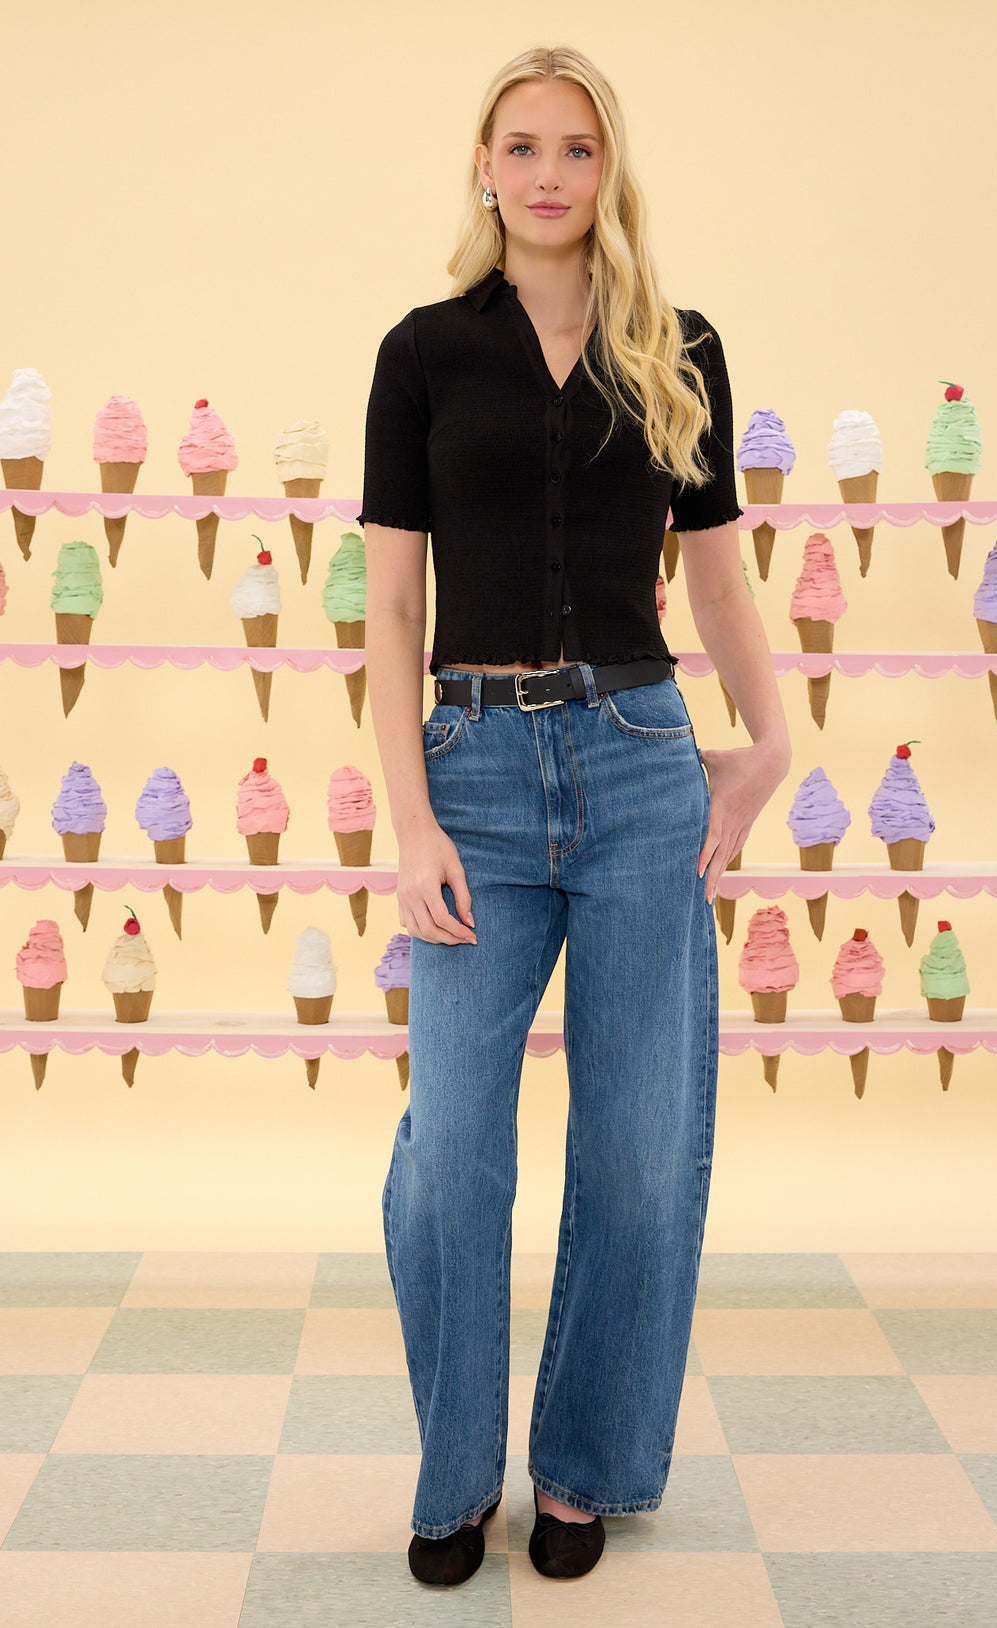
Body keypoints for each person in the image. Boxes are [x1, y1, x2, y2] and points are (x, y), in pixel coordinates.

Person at [361, 44, 790, 1586]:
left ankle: (584, 1470)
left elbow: (723, 578)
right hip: (469, 770)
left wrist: (771, 744)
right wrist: (410, 826)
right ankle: (452, 1471)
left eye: (577, 149)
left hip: (634, 763)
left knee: (633, 1140)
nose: (548, 173)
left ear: (608, 174)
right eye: (521, 145)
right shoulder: (421, 352)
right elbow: (390, 613)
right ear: (482, 167)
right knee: (452, 1149)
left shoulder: (678, 347)